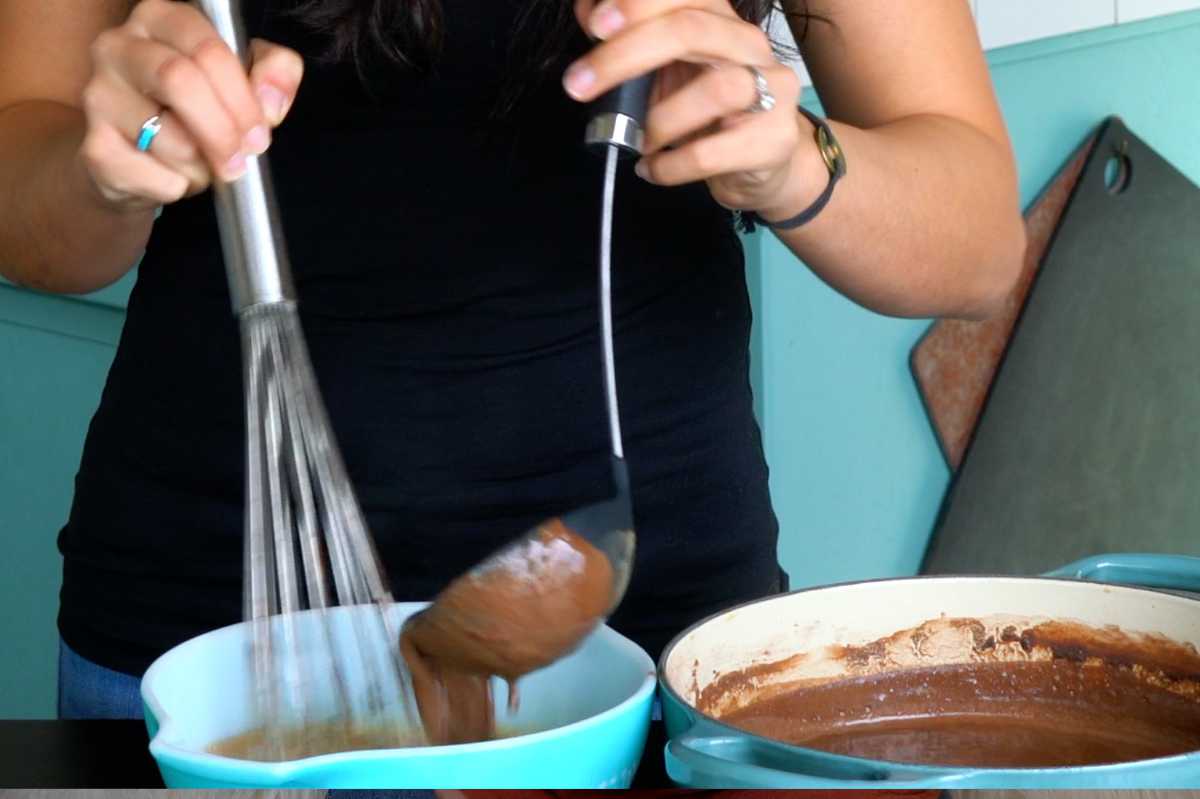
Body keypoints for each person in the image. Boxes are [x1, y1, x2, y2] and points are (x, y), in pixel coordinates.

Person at [1, 0, 1024, 735]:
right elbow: (31, 221)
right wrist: (115, 164)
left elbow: (976, 246)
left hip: (659, 640)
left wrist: (796, 159)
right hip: (210, 630)